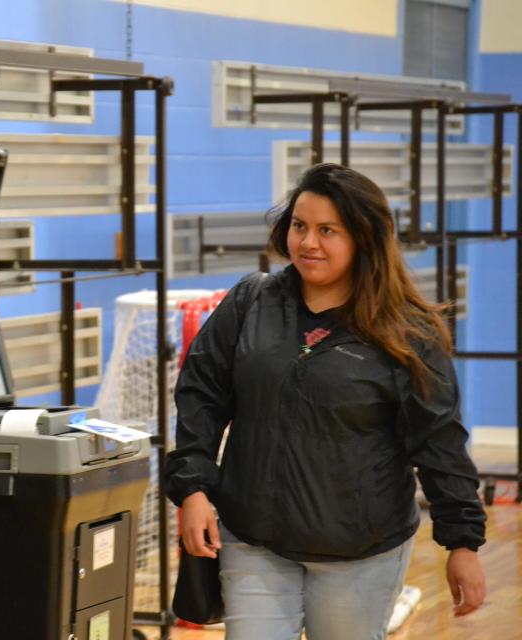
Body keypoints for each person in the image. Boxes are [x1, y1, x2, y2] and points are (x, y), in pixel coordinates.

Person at [165, 163, 487, 639]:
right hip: (252, 538)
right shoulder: (251, 302)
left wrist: (462, 542)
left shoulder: (408, 332)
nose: (308, 242)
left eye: (327, 230)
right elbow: (200, 397)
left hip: (359, 551)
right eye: (299, 226)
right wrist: (192, 489)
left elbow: (438, 441)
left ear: (364, 238)